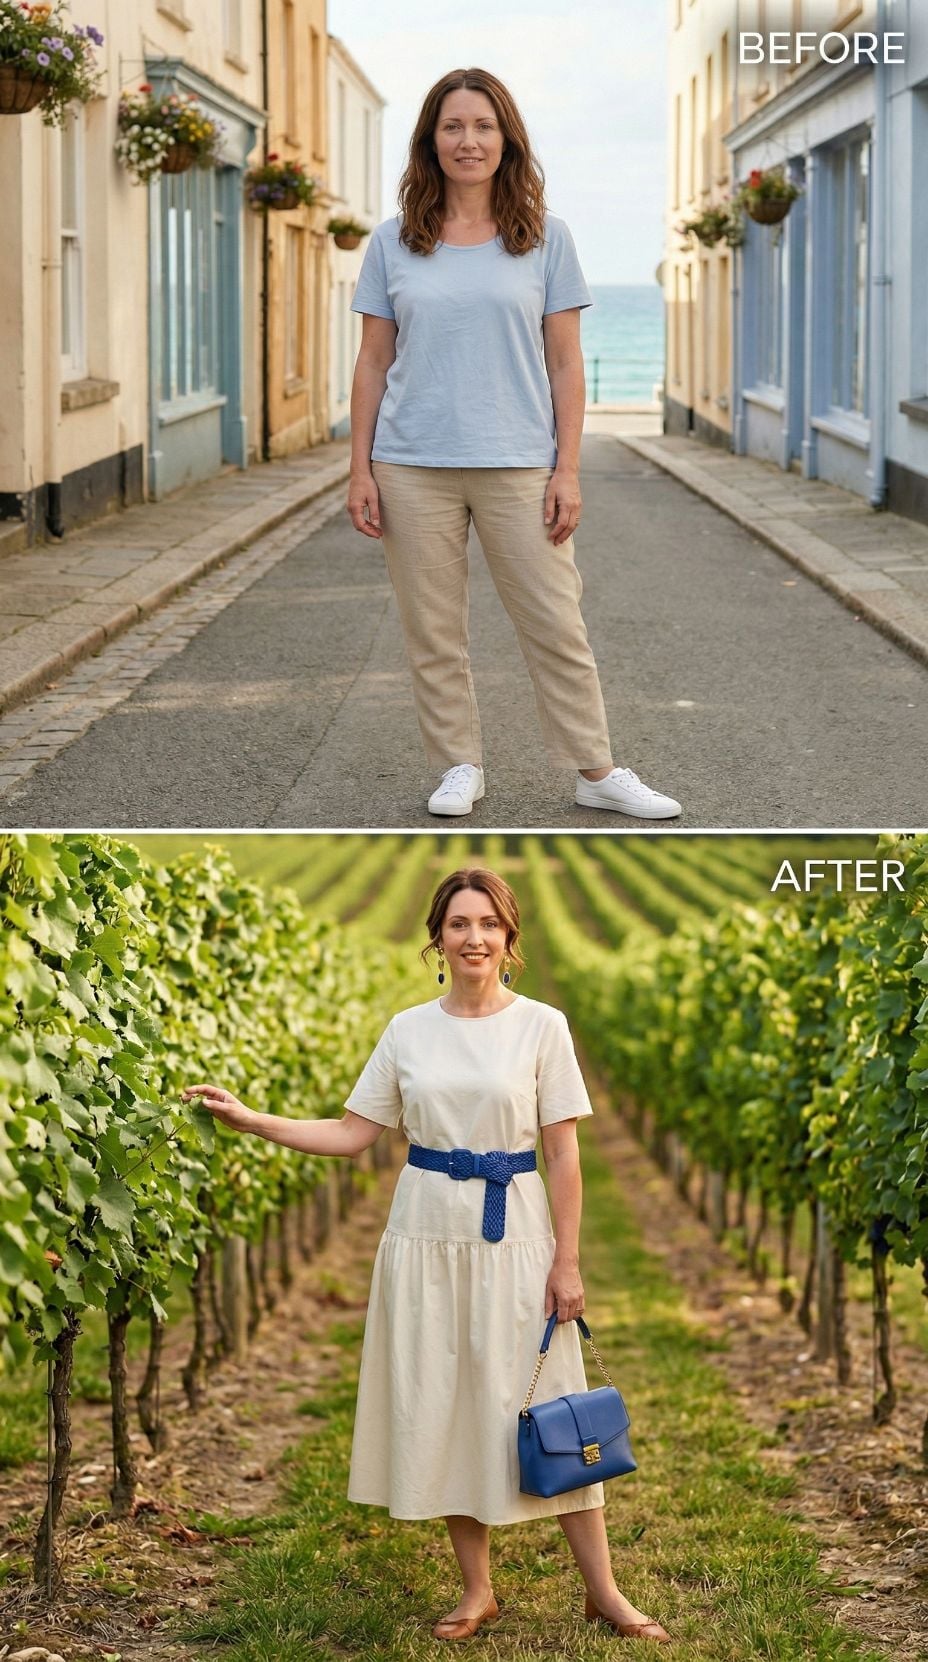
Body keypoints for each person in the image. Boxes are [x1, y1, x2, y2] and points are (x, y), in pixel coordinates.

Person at [183, 867, 671, 1644]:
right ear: (436, 938)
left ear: (510, 939)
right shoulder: (408, 1030)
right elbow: (351, 1135)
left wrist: (567, 1261)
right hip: (423, 1238)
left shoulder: (543, 1025)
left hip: (514, 1234)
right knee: (442, 1397)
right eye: (458, 924)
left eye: (488, 924)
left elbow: (564, 1155)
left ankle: (605, 1593)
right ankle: (477, 1590)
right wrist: (253, 1121)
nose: (473, 938)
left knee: (552, 1402)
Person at [346, 67, 682, 823]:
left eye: (484, 127)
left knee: (557, 622)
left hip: (520, 464)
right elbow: (372, 361)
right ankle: (457, 764)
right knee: (433, 629)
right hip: (411, 464)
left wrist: (568, 469)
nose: (469, 141)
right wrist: (359, 469)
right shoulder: (394, 243)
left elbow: (565, 363)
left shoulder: (546, 239)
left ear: (507, 140)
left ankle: (595, 769)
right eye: (454, 127)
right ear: (431, 142)